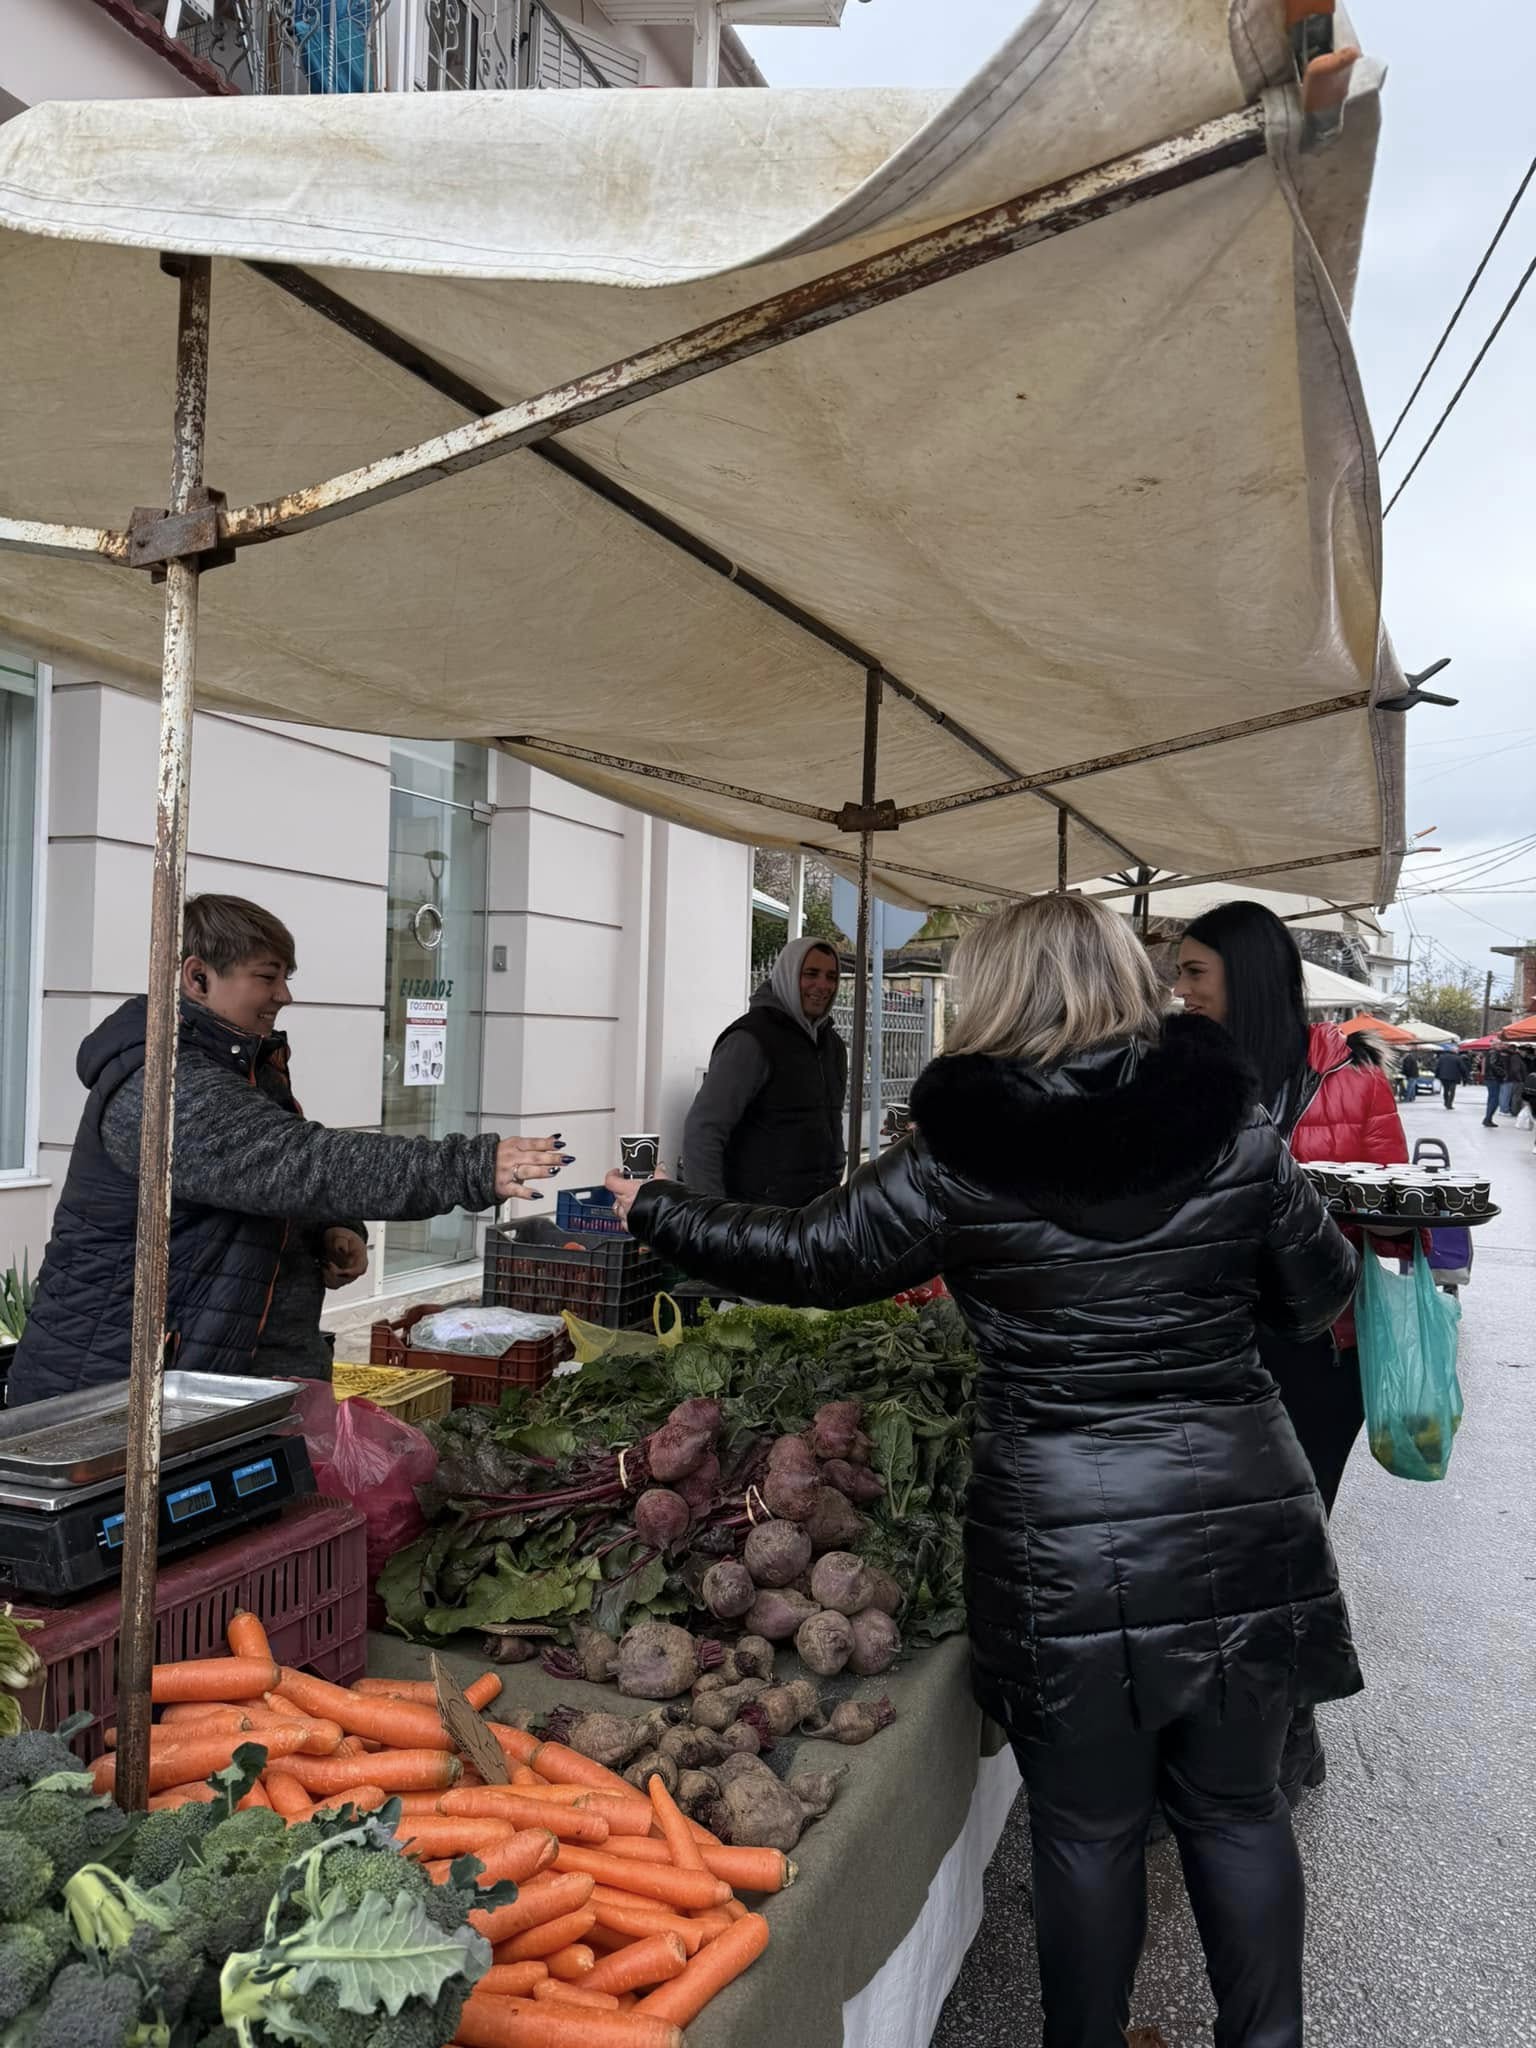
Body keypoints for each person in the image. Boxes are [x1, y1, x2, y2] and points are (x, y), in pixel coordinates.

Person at [608, 893, 1360, 2048]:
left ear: (994, 990)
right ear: (1124, 976)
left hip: (1061, 1534)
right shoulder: (1235, 1121)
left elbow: (805, 1256)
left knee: (1089, 1830)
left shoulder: (959, 1152)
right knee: (1238, 1810)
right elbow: (1317, 1291)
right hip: (1242, 1504)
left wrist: (655, 1208)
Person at [9, 895, 564, 1405]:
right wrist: (468, 1166)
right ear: (198, 977)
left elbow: (265, 1181)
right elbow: (295, 1161)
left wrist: (329, 1228)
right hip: (117, 1390)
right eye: (267, 977)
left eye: (285, 977)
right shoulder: (162, 1083)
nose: (285, 995)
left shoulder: (241, 1063)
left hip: (214, 1373)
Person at [1175, 900, 1407, 1805]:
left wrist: (1312, 1208)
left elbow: (1394, 1225)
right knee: (1211, 1546)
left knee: (1288, 1546)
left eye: (1195, 973)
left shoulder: (1353, 1082)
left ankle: (1291, 1732)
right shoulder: (1178, 1075)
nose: (1180, 991)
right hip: (1209, 1342)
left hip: (1319, 1348)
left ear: (1249, 977)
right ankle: (1217, 1733)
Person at [681, 936, 847, 1206]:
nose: (823, 985)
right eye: (811, 974)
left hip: (817, 1215)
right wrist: (713, 1219)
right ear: (789, 975)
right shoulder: (751, 1040)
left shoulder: (833, 1046)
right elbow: (703, 1132)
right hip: (759, 1220)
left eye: (831, 976)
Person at [1481, 1044, 1508, 1128]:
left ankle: (1488, 1119)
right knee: (1494, 1100)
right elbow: (1494, 1065)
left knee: (1492, 1099)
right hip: (1493, 1079)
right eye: (1500, 1044)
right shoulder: (1495, 1053)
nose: (1503, 1045)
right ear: (1495, 1045)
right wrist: (1503, 1073)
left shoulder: (1491, 1053)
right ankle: (1488, 1119)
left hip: (1490, 1078)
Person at [1434, 1043, 1465, 1110]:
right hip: (1454, 1077)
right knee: (1452, 1091)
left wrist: (1436, 1075)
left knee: (1446, 1090)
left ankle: (1446, 1102)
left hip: (1444, 1077)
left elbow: (1438, 1067)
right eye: (1457, 1050)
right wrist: (1465, 1077)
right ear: (1454, 1051)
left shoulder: (1442, 1057)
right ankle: (1449, 1104)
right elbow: (1462, 1068)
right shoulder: (1458, 1058)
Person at [1499, 1045, 1527, 1117]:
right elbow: (1515, 1070)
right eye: (1525, 1052)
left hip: (1511, 1079)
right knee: (1513, 1096)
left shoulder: (1514, 1057)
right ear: (1520, 1051)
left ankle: (1506, 1109)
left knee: (1507, 1095)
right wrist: (1520, 1079)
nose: (1526, 1054)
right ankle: (1509, 1110)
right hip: (1515, 1080)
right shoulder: (1516, 1057)